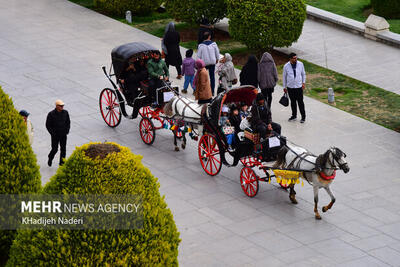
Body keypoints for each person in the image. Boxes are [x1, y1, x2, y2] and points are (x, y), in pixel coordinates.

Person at [283, 52, 306, 123]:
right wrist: (284, 87)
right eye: (294, 58)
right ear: (290, 59)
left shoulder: (300, 64)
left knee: (300, 102)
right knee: (293, 102)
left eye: (296, 58)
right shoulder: (286, 66)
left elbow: (303, 74)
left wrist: (303, 83)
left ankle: (303, 117)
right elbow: (284, 77)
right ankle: (294, 115)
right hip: (290, 87)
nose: (296, 59)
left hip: (299, 87)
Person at [46, 100, 70, 166]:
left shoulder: (65, 112)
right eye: (61, 106)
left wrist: (67, 131)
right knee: (54, 149)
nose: (62, 107)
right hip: (55, 135)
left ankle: (62, 163)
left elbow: (68, 122)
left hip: (63, 134)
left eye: (63, 106)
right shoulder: (51, 114)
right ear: (57, 106)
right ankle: (50, 157)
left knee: (63, 149)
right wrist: (52, 133)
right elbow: (48, 125)